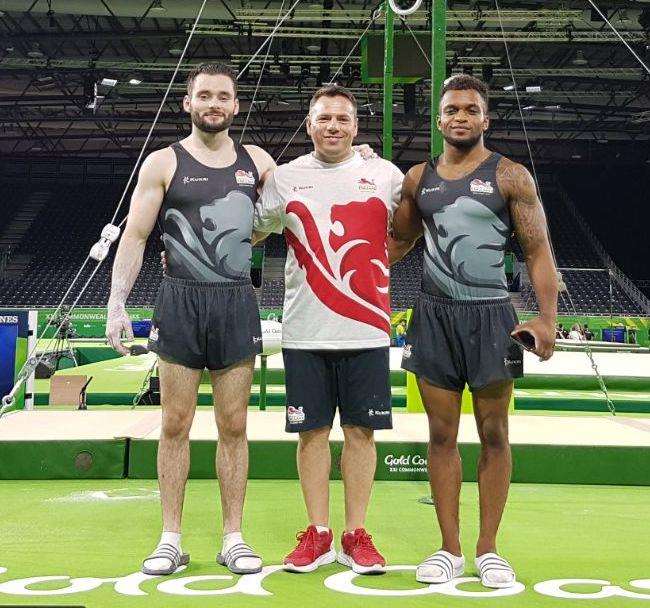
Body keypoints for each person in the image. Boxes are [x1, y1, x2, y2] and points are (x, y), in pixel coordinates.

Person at [105, 63, 276, 576]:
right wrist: (117, 303)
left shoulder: (259, 161)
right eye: (204, 95)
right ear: (188, 103)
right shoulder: (163, 162)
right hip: (179, 300)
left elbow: (291, 207)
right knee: (174, 424)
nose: (214, 103)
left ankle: (233, 537)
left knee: (234, 426)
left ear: (236, 105)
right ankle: (170, 538)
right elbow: (134, 237)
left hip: (234, 301)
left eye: (223, 96)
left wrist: (352, 156)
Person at [391, 74, 557, 589]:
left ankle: (488, 549)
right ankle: (449, 549)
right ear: (439, 119)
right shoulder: (419, 179)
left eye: (470, 109)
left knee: (494, 433)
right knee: (440, 435)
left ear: (485, 119)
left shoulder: (511, 177)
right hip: (434, 316)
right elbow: (394, 245)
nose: (460, 117)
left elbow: (537, 252)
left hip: (492, 318)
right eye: (451, 110)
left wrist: (547, 318)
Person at [254, 84, 404, 575]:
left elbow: (420, 220)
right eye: (324, 118)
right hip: (304, 332)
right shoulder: (286, 177)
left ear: (356, 127)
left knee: (361, 433)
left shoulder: (384, 174)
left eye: (342, 118)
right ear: (310, 124)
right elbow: (251, 228)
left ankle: (355, 533)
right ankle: (318, 532)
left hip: (366, 331)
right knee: (311, 435)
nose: (333, 126)